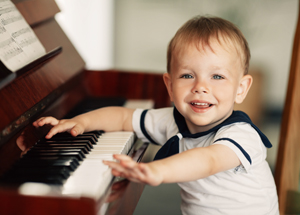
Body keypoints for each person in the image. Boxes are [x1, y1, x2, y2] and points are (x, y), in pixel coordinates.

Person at [33, 15, 279, 215]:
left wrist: (158, 171)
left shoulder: (242, 136)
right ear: (170, 86)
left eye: (217, 76)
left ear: (241, 89)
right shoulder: (173, 121)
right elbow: (122, 117)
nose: (200, 87)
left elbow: (208, 160)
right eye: (187, 75)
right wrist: (80, 121)